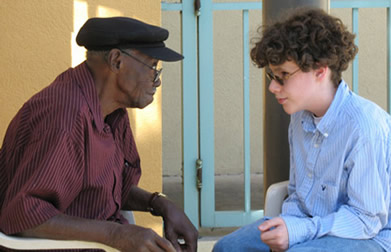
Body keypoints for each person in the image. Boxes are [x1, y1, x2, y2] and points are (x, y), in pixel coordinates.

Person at [0, 16, 198, 252]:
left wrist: (158, 203)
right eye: (152, 66)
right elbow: (24, 214)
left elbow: (102, 189)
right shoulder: (65, 116)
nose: (156, 80)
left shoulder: (111, 111)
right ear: (116, 61)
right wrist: (117, 234)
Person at [213, 8, 391, 252]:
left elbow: (366, 220)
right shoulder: (298, 117)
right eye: (272, 76)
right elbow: (298, 195)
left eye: (283, 75)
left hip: (371, 237)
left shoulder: (364, 125)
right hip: (310, 226)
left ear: (320, 70)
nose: (273, 87)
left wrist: (297, 232)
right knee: (228, 248)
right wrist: (287, 228)